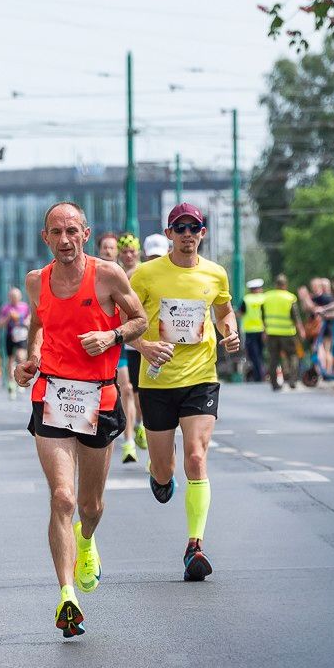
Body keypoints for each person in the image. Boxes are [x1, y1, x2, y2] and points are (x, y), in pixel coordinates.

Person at [14, 202, 146, 636]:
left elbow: (140, 320)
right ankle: (66, 595)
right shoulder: (36, 281)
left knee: (89, 507)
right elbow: (38, 324)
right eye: (56, 232)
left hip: (99, 397)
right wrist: (31, 359)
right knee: (62, 498)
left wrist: (111, 335)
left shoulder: (108, 275)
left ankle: (86, 540)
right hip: (51, 393)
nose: (65, 239)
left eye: (72, 231)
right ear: (45, 238)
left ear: (85, 234)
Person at [130, 203, 239, 582]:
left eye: (194, 228)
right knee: (165, 470)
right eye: (181, 228)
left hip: (200, 377)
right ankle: (159, 474)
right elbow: (122, 322)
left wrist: (230, 332)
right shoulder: (146, 275)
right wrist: (144, 346)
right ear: (170, 234)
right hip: (157, 381)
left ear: (202, 233)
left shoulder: (215, 273)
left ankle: (195, 545)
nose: (188, 234)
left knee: (196, 456)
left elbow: (224, 312)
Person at [114, 233, 146, 462]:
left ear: (138, 252)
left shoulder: (145, 273)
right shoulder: (115, 274)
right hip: (123, 341)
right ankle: (129, 443)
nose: (128, 255)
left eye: (131, 251)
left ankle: (141, 424)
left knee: (141, 393)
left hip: (144, 340)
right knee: (126, 389)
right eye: (124, 251)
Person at [260, 273, 305, 391]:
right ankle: (292, 381)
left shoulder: (267, 297)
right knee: (292, 356)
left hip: (271, 333)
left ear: (276, 284)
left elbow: (263, 316)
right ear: (285, 285)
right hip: (287, 333)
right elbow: (296, 317)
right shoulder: (290, 298)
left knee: (273, 358)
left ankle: (274, 383)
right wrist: (301, 330)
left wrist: (264, 331)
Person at [0, 286, 30, 398]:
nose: (14, 298)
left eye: (16, 296)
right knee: (10, 360)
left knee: (21, 356)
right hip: (10, 335)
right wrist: (8, 317)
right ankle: (11, 383)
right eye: (12, 296)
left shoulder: (24, 307)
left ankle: (21, 379)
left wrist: (24, 322)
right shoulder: (6, 308)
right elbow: (0, 324)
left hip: (22, 335)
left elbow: (30, 318)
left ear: (20, 297)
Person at [240, 277, 267, 383]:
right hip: (263, 330)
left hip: (250, 331)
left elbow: (241, 312)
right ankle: (262, 374)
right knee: (261, 354)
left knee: (253, 355)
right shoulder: (265, 298)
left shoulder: (246, 299)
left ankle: (258, 376)